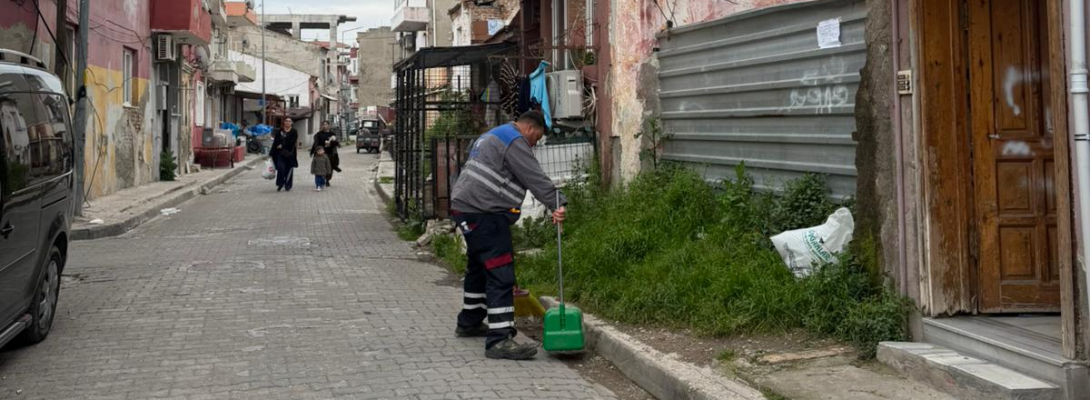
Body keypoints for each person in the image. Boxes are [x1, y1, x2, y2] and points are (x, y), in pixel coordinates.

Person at [449, 110, 566, 360]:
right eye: (537, 138)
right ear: (531, 128)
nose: (534, 144)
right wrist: (557, 202)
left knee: (479, 266)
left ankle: (469, 321)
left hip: (465, 207)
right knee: (500, 271)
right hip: (484, 212)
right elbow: (533, 175)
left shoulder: (495, 134)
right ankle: (499, 340)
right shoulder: (515, 141)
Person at [270, 118, 299, 192]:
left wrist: (282, 145)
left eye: (289, 121)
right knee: (281, 168)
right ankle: (280, 183)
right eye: (286, 121)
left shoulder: (294, 131)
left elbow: (292, 142)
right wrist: (271, 153)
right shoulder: (280, 131)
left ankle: (288, 185)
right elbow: (275, 142)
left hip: (290, 153)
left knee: (288, 169)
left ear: (291, 123)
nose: (287, 122)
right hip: (279, 153)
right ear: (284, 122)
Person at [310, 121, 341, 186]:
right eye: (323, 124)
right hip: (321, 154)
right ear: (321, 126)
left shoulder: (332, 134)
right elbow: (315, 144)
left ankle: (327, 179)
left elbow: (337, 143)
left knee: (330, 167)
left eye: (326, 124)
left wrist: (331, 143)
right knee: (321, 167)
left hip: (330, 154)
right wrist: (312, 151)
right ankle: (322, 179)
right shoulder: (319, 134)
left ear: (328, 125)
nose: (324, 126)